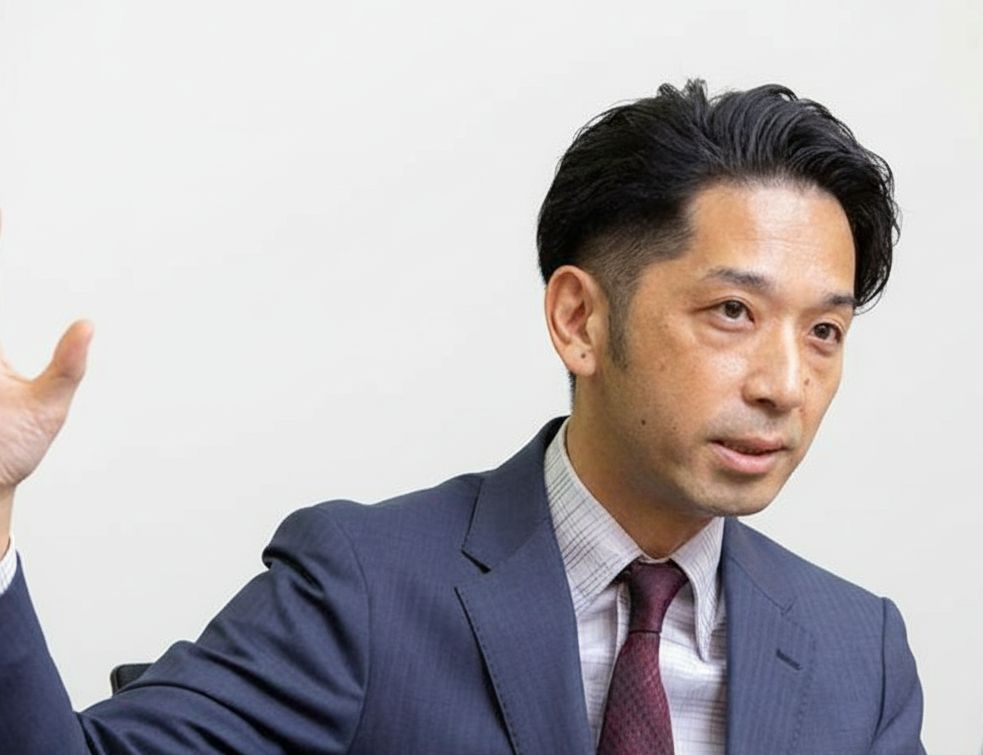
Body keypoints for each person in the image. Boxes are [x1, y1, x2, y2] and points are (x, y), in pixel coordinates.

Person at [0, 80, 925, 754]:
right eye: (731, 311)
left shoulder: (860, 651)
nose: (784, 384)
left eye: (824, 332)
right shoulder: (365, 589)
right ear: (579, 320)